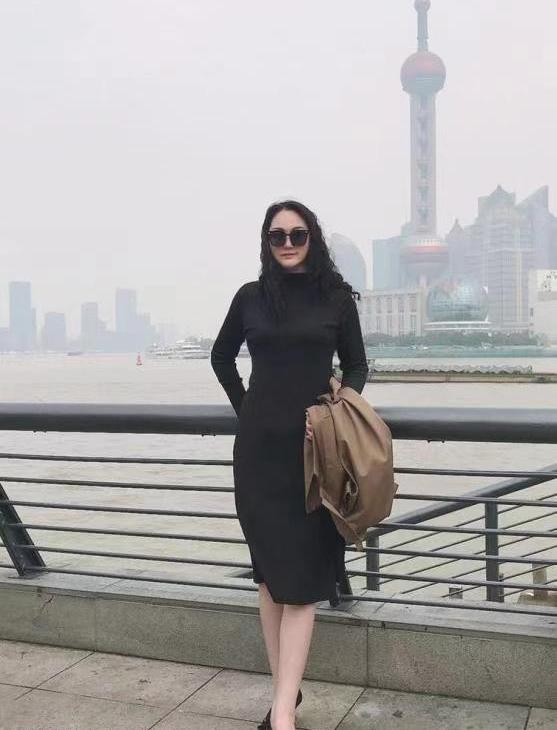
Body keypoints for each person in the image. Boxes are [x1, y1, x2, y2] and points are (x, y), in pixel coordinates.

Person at [210, 200, 368, 730]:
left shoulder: (336, 298)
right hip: (258, 456)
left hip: (313, 459)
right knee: (270, 578)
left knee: (300, 582)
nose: (287, 244)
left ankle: (281, 714)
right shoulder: (250, 297)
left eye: (297, 235)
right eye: (277, 236)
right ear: (266, 242)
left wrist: (336, 413)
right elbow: (221, 357)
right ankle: (286, 697)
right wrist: (248, 409)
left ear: (312, 238)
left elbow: (357, 366)